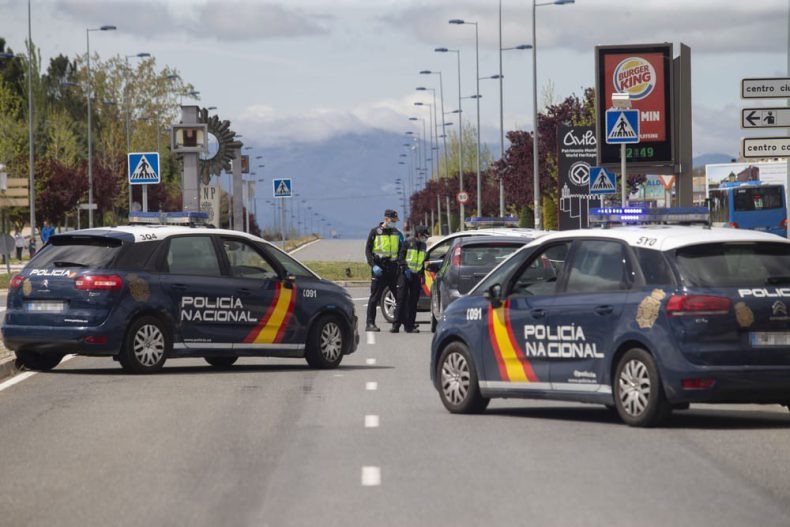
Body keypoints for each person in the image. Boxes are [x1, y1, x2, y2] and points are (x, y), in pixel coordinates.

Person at [364, 209, 403, 332]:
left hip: (393, 269)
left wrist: (400, 265)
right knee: (374, 297)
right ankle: (370, 323)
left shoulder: (396, 233)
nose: (394, 223)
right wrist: (373, 265)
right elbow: (368, 251)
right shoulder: (375, 232)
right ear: (386, 219)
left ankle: (401, 323)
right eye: (393, 220)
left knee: (399, 297)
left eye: (395, 221)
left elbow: (401, 250)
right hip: (379, 268)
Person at [392, 225, 429, 333]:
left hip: (416, 276)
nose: (425, 238)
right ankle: (396, 325)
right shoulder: (407, 243)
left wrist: (422, 275)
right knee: (401, 299)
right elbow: (400, 258)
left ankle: (410, 326)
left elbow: (423, 261)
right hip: (405, 275)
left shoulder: (423, 246)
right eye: (424, 236)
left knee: (413, 302)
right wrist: (406, 268)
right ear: (419, 234)